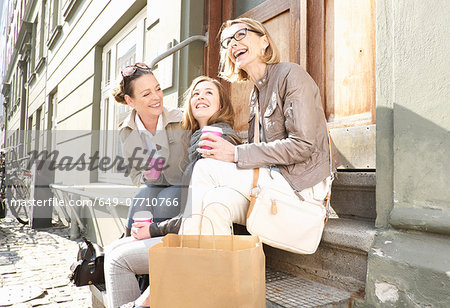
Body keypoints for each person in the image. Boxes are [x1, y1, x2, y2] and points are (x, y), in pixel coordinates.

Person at [180, 17, 337, 236]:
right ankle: (215, 267)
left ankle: (186, 256)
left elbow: (303, 145)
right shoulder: (255, 96)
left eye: (240, 35)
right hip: (273, 182)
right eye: (226, 42)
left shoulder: (291, 74)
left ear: (264, 41)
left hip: (300, 186)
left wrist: (235, 153)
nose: (233, 44)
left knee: (205, 169)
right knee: (216, 201)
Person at [105, 75, 241, 308]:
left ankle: (142, 292)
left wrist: (153, 229)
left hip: (201, 240)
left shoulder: (214, 138)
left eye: (209, 93)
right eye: (196, 94)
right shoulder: (199, 134)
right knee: (135, 212)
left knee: (118, 257)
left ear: (221, 105)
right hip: (189, 225)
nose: (200, 97)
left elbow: (198, 217)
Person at [113, 63, 187, 237]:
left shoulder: (182, 119)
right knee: (141, 196)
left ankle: (158, 256)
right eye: (146, 94)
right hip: (156, 186)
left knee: (165, 200)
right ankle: (128, 245)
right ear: (130, 101)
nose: (156, 97)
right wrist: (149, 175)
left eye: (158, 89)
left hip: (185, 184)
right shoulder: (127, 130)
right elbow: (136, 177)